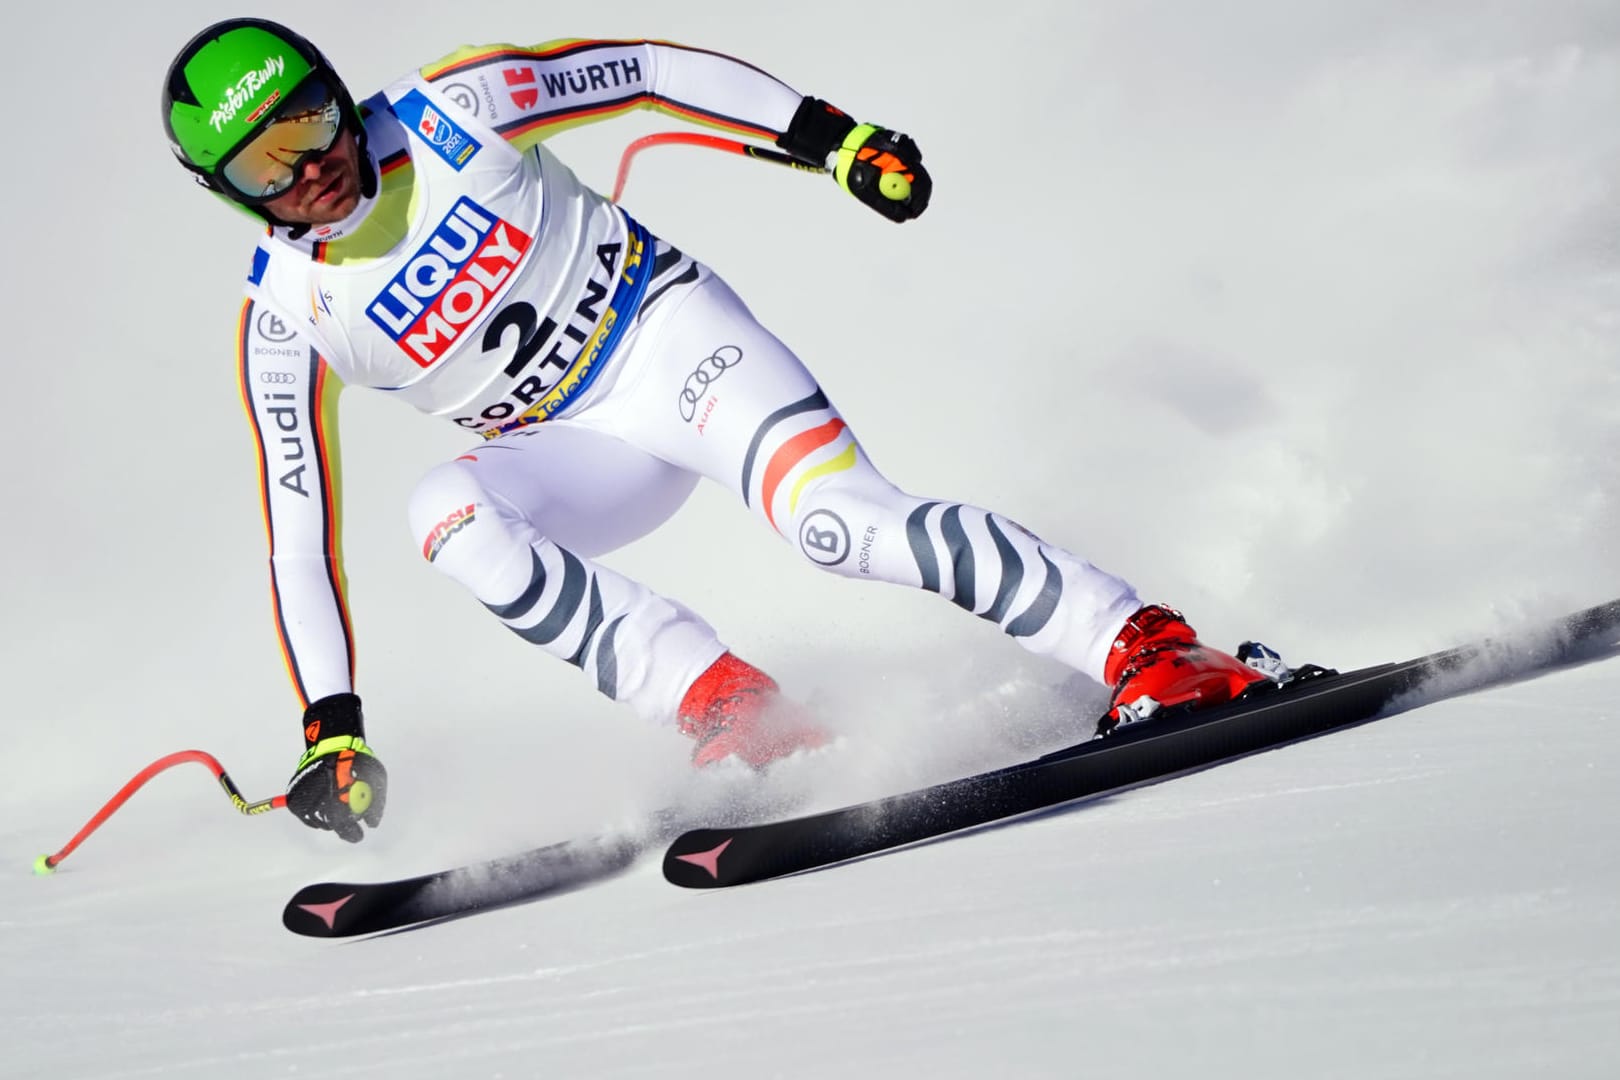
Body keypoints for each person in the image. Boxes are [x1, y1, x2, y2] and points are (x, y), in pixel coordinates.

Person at [161, 19, 1270, 844]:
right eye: (266, 162)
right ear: (230, 193)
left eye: (309, 118)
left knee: (841, 527)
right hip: (581, 447)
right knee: (442, 513)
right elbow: (296, 540)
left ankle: (1148, 647)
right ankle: (735, 711)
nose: (311, 164)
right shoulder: (282, 321)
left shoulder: (454, 106)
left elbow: (641, 73)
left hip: (674, 348)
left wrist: (832, 139)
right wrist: (332, 726)